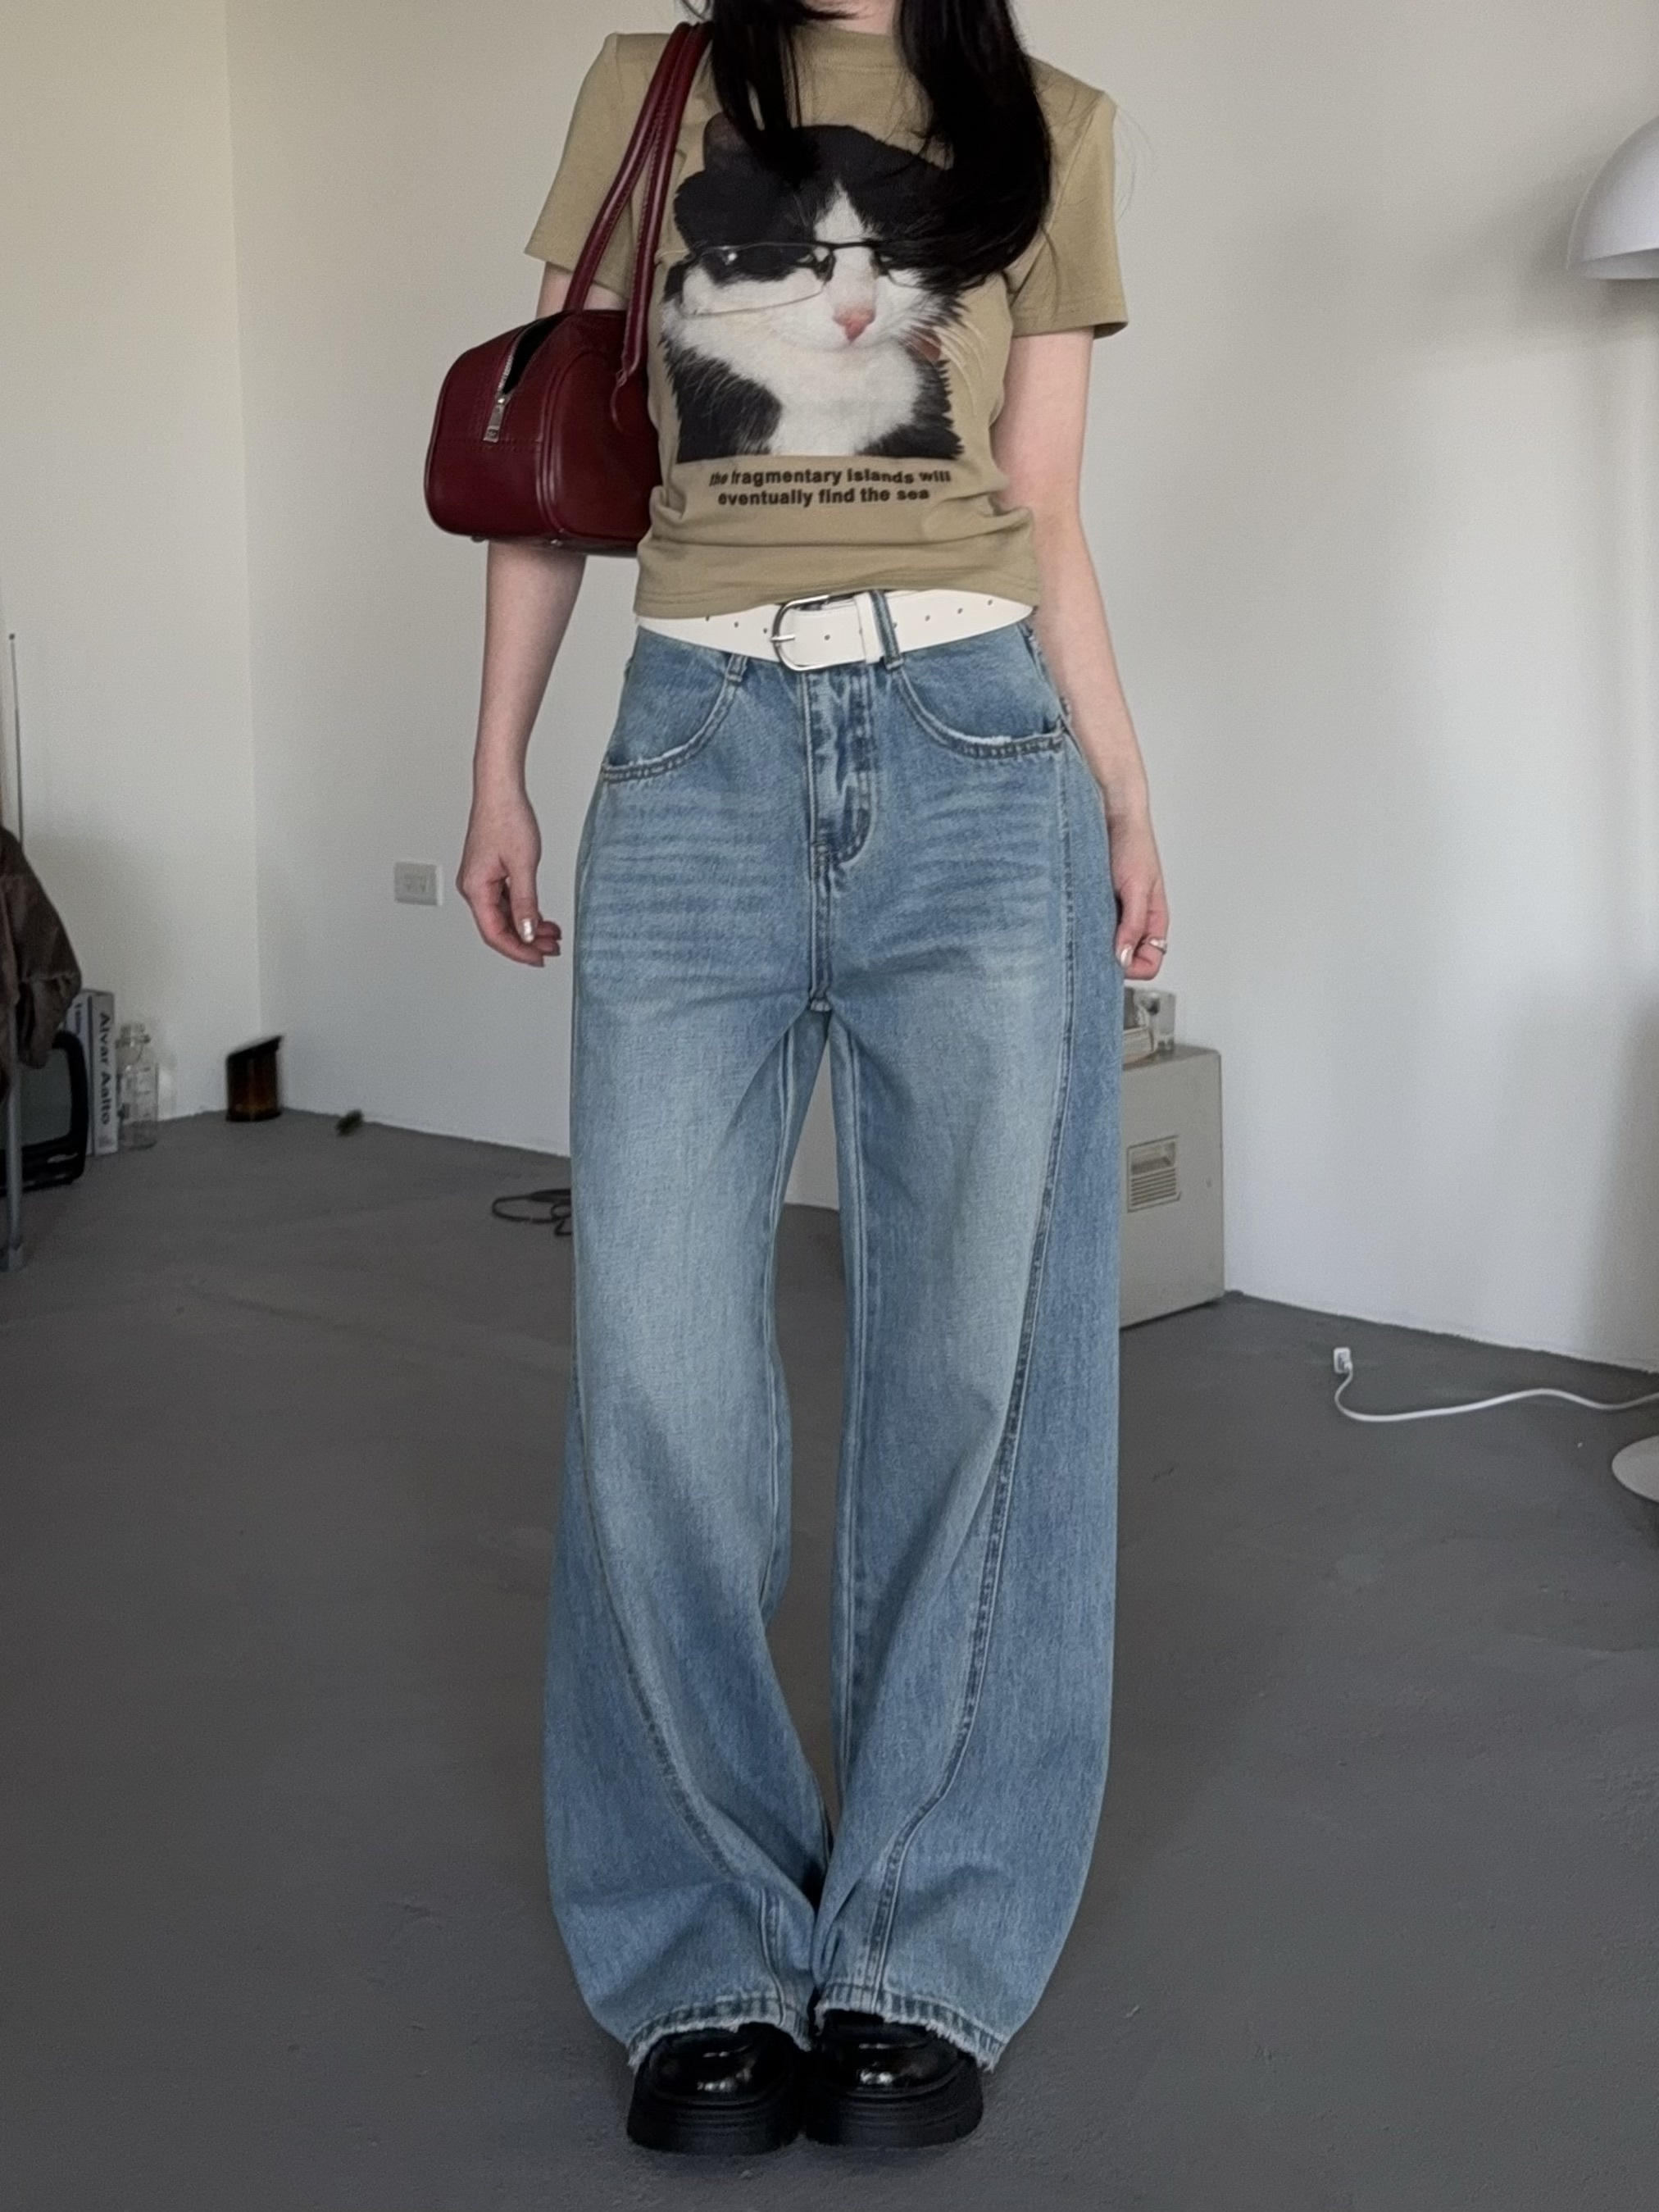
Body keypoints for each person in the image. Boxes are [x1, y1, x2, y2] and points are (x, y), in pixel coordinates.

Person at [457, 0, 1170, 2158]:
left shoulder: (1053, 124)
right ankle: (705, 1948)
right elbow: (553, 435)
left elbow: (1041, 504)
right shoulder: (652, 91)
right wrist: (494, 764)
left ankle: (921, 1946)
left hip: (975, 752)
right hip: (693, 754)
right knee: (657, 1377)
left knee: (981, 1369)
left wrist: (1125, 789)